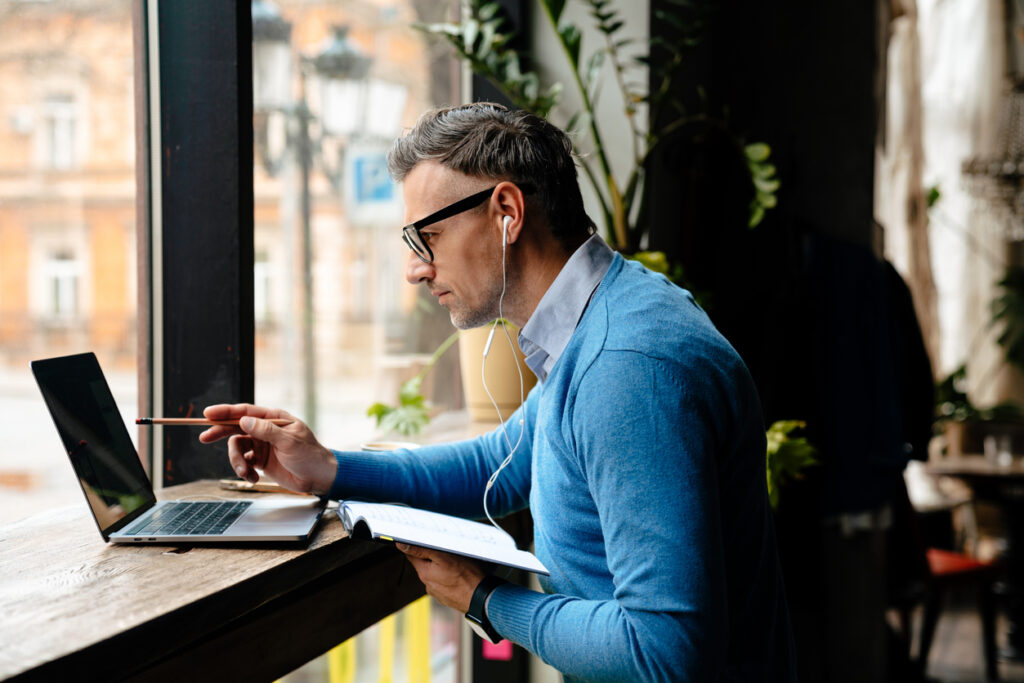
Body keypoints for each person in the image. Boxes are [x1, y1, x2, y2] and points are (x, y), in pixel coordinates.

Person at [200, 102, 796, 681]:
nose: (415, 268)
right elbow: (501, 462)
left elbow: (667, 653)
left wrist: (485, 599)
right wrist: (327, 469)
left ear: (506, 211)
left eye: (426, 236)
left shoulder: (623, 367)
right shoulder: (607, 317)